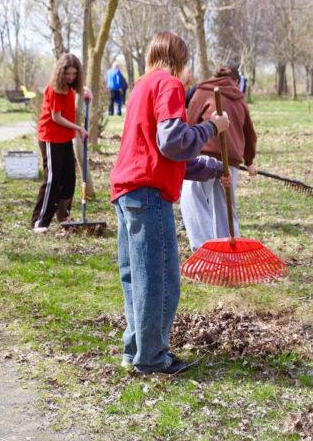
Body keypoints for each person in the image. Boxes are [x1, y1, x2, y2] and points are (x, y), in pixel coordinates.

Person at [109, 31, 230, 375]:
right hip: (148, 194)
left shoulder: (140, 88)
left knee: (136, 276)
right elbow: (173, 142)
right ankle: (152, 358)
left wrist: (210, 168)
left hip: (127, 191)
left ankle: (135, 350)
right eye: (187, 63)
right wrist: (210, 128)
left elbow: (163, 153)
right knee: (159, 279)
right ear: (178, 60)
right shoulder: (169, 84)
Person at [180, 66, 257, 250]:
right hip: (229, 162)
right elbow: (250, 134)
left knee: (193, 199)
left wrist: (184, 149)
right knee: (225, 207)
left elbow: (189, 122)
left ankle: (204, 248)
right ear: (236, 81)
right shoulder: (239, 98)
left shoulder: (202, 91)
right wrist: (250, 161)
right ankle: (227, 249)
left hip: (203, 158)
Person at [30, 53, 92, 233]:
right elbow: (56, 117)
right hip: (50, 137)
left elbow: (83, 90)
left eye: (74, 74)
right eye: (68, 74)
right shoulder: (54, 89)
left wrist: (87, 92)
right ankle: (39, 221)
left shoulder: (70, 89)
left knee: (69, 179)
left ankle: (63, 217)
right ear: (60, 73)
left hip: (65, 138)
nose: (71, 77)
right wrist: (79, 128)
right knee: (52, 179)